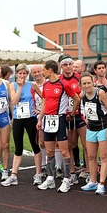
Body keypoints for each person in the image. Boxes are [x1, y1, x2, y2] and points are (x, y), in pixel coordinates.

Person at [36, 60, 80, 193]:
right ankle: (50, 178)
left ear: (50, 70)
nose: (42, 72)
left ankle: (66, 180)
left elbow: (76, 98)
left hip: (60, 119)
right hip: (47, 120)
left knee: (64, 151)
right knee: (49, 151)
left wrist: (71, 114)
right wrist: (40, 119)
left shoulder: (63, 84)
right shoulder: (46, 85)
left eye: (44, 69)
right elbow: (44, 102)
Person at [1, 64, 43, 186]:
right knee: (18, 147)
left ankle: (38, 174)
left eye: (25, 73)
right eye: (20, 73)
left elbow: (44, 98)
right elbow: (14, 101)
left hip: (30, 118)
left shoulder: (32, 85)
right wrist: (19, 88)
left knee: (35, 145)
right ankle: (14, 175)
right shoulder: (12, 85)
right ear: (16, 74)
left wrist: (40, 110)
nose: (22, 76)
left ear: (27, 74)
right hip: (18, 119)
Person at [79, 72, 107, 195]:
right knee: (91, 156)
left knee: (103, 156)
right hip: (91, 128)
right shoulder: (82, 95)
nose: (87, 85)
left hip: (103, 127)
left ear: (93, 82)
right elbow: (83, 109)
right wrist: (85, 118)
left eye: (89, 82)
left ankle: (101, 184)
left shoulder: (100, 93)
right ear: (81, 85)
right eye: (84, 83)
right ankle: (93, 181)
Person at [58, 54, 88, 186]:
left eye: (70, 64)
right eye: (65, 65)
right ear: (61, 66)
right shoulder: (59, 80)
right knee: (70, 145)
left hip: (80, 115)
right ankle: (72, 173)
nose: (69, 67)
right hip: (67, 116)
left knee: (87, 145)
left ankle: (87, 171)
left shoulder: (80, 79)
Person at [31, 65, 48, 175]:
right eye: (34, 72)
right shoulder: (31, 85)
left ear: (42, 71)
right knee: (40, 142)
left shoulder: (47, 83)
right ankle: (43, 165)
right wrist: (33, 108)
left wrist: (43, 110)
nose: (37, 74)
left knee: (53, 142)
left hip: (49, 114)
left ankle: (58, 167)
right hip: (37, 116)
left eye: (38, 71)